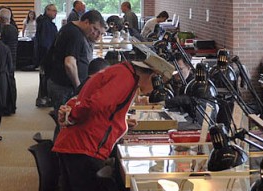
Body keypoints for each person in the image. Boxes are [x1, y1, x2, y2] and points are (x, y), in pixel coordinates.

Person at [53, 55, 174, 191]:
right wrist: (72, 116)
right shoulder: (125, 78)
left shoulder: (124, 73)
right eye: (158, 82)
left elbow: (104, 106)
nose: (154, 90)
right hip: (83, 147)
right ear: (154, 75)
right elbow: (96, 104)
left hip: (79, 145)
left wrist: (118, 119)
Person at [45, 10, 105, 139]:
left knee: (63, 123)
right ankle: (60, 155)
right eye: (94, 29)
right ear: (86, 22)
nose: (95, 33)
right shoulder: (75, 35)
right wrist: (79, 87)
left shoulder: (71, 28)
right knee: (65, 124)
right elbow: (69, 63)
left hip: (59, 83)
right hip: (64, 86)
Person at [34, 4, 58, 108]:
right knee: (46, 78)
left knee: (44, 77)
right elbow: (45, 43)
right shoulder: (45, 24)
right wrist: (49, 57)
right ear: (47, 11)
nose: (55, 13)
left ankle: (43, 98)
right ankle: (44, 99)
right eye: (53, 11)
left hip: (45, 55)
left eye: (56, 11)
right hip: (47, 56)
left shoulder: (46, 22)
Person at [0, 8, 18, 116]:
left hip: (4, 60)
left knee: (5, 84)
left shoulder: (3, 30)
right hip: (12, 58)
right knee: (11, 82)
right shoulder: (14, 29)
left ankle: (7, 107)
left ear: (0, 18)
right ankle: (12, 106)